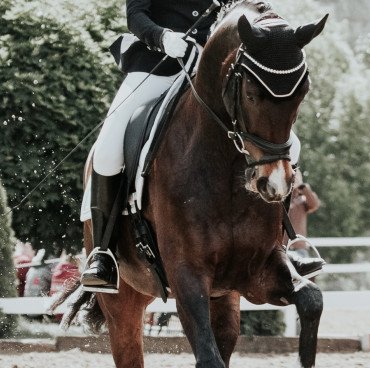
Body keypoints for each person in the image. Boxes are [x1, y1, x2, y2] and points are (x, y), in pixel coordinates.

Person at [80, 0, 311, 293]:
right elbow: (136, 15)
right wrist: (162, 37)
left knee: (290, 144)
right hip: (158, 63)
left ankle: (282, 245)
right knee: (109, 146)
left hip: (213, 69)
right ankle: (103, 252)